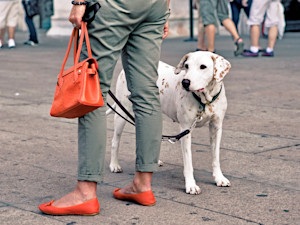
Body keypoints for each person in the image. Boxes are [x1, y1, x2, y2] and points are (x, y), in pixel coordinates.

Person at [39, 0, 170, 216]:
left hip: (114, 5)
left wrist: (80, 2)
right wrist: (166, 8)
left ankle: (85, 192)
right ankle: (142, 185)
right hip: (154, 5)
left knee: (93, 89)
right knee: (146, 92)